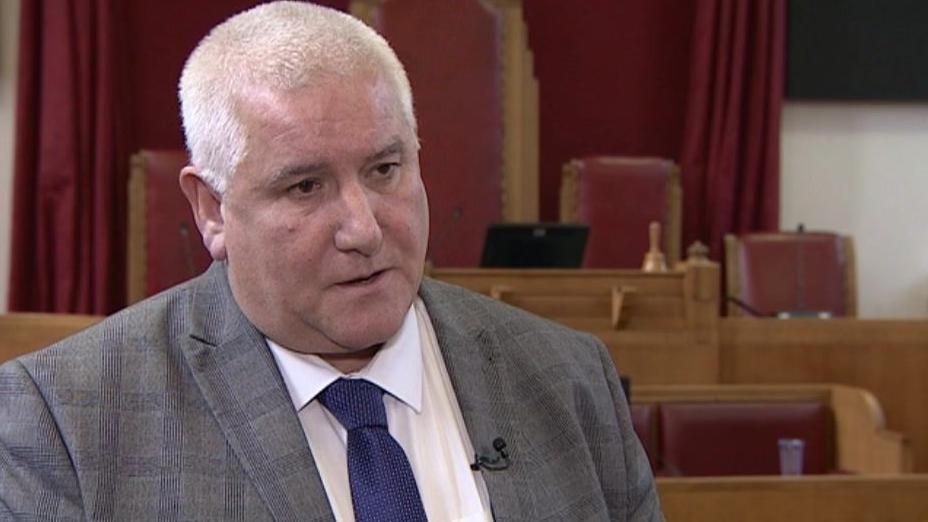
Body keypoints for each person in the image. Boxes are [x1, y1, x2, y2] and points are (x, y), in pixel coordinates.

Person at [0, 2, 662, 520]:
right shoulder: (67, 419)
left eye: (384, 168)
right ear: (210, 209)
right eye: (305, 186)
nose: (363, 228)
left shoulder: (570, 380)